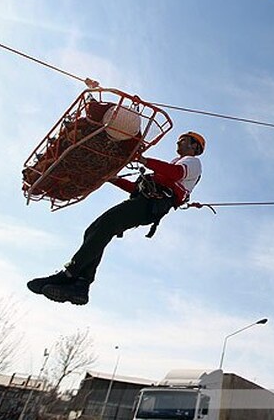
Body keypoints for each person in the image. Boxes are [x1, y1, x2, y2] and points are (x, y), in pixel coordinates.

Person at [27, 131, 205, 305]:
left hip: (150, 205)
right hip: (145, 202)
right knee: (96, 230)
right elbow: (135, 189)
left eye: (183, 140)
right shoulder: (173, 165)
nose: (178, 143)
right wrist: (113, 179)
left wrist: (145, 161)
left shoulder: (193, 162)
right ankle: (81, 285)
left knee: (105, 225)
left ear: (194, 146)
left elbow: (175, 173)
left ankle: (69, 274)